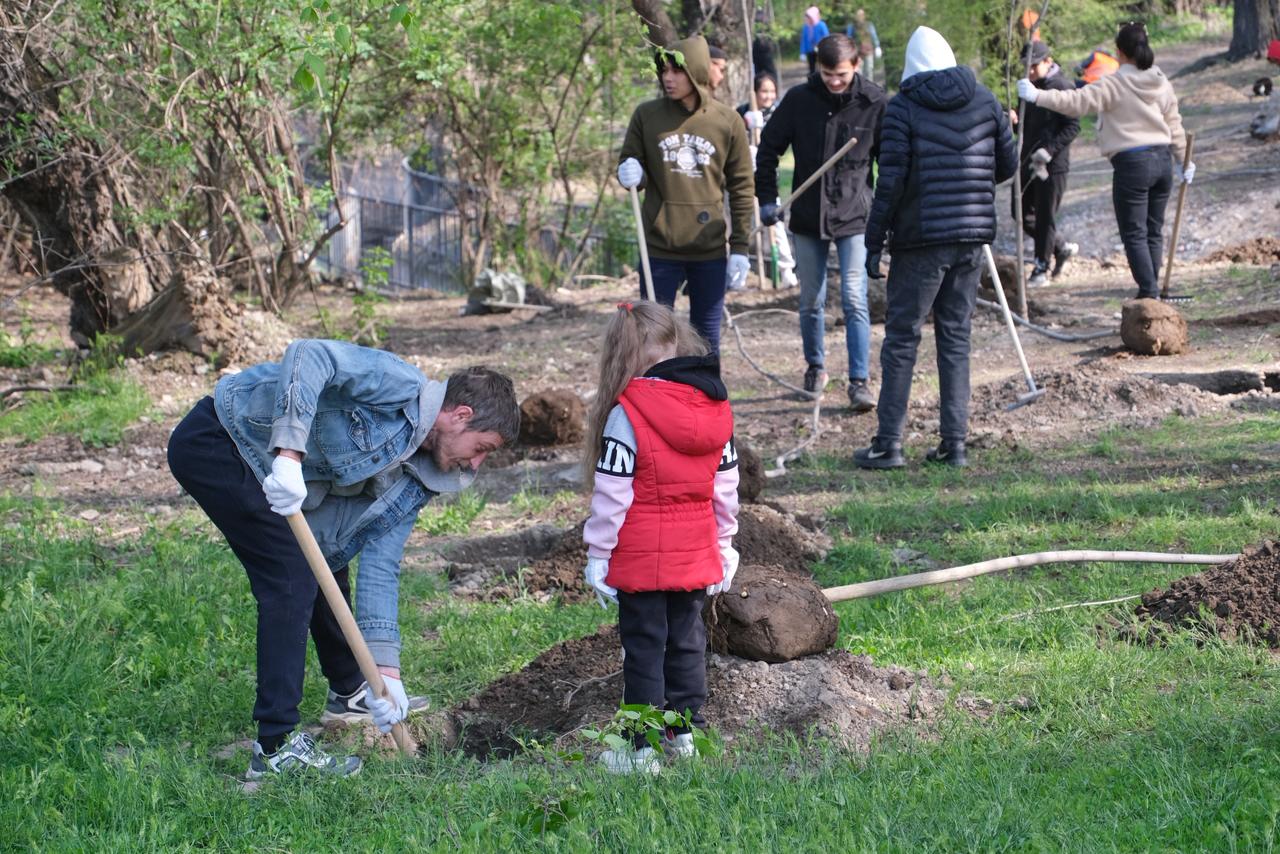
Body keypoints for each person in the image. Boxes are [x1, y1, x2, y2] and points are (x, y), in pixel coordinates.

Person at [167, 340, 519, 778]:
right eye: (482, 447)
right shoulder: (398, 385)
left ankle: (353, 689)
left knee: (327, 560)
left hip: (272, 477)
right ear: (460, 415)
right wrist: (289, 456)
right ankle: (276, 748)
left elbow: (381, 565)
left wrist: (386, 674)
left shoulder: (423, 479)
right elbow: (309, 355)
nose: (477, 464)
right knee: (291, 579)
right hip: (221, 441)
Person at [581, 301, 739, 774]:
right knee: (688, 641)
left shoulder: (626, 413)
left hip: (641, 559)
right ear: (677, 348)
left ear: (622, 358)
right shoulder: (715, 407)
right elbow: (725, 485)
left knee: (644, 648)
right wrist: (725, 543)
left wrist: (598, 553)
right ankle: (683, 733)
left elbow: (613, 494)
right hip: (695, 553)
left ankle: (640, 747)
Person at [856, 26, 1016, 469]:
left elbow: (889, 182)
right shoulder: (985, 100)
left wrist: (874, 242)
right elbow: (1009, 162)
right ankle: (955, 443)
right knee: (955, 337)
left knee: (903, 338)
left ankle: (888, 444)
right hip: (971, 238)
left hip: (920, 241)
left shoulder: (902, 108)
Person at [755, 34, 886, 410]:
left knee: (855, 298)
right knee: (811, 300)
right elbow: (767, 151)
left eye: (841, 74)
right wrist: (767, 199)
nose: (833, 80)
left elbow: (892, 160)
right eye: (827, 73)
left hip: (855, 215)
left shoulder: (874, 102)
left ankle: (859, 381)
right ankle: (815, 367)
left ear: (856, 66)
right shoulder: (798, 100)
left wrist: (887, 212)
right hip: (809, 216)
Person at [1019, 22, 1192, 300]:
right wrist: (1185, 160)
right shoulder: (1160, 79)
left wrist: (1037, 95)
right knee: (1153, 231)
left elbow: (1075, 102)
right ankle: (1151, 289)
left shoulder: (1115, 83)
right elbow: (1174, 123)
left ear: (1119, 52)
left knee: (1134, 233)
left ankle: (1149, 294)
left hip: (1133, 164)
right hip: (1162, 162)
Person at [618, 36, 755, 353]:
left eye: (677, 71)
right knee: (652, 339)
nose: (668, 78)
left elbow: (742, 187)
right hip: (658, 246)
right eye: (663, 70)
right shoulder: (647, 116)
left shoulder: (727, 121)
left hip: (708, 249)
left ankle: (705, 402)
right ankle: (655, 401)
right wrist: (628, 172)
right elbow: (628, 165)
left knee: (706, 338)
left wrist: (740, 247)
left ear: (695, 71)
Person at [1012, 39, 1080, 286]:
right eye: (1026, 66)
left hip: (1052, 165)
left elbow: (1073, 125)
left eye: (1034, 66)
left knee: (1044, 216)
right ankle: (1059, 247)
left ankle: (1041, 267)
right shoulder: (1026, 88)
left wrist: (1049, 150)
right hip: (1027, 162)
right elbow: (1026, 125)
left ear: (1048, 62)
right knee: (1018, 211)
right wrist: (1012, 120)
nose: (1030, 71)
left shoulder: (1061, 86)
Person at [737, 72, 799, 288]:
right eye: (764, 91)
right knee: (743, 223)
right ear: (754, 92)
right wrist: (746, 126)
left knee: (776, 224)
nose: (768, 95)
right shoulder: (743, 112)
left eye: (772, 91)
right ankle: (741, 270)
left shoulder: (780, 112)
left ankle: (786, 270)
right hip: (745, 176)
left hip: (768, 181)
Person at [846, 8, 882, 83]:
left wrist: (877, 46)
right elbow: (848, 38)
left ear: (864, 16)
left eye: (861, 15)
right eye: (858, 15)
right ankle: (860, 89)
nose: (860, 16)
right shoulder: (852, 27)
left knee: (869, 70)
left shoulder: (869, 25)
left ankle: (869, 89)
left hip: (868, 51)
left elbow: (874, 36)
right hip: (857, 52)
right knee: (858, 72)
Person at [800, 6, 830, 76]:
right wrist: (802, 52)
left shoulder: (821, 25)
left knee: (821, 65)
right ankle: (812, 80)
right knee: (811, 67)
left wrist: (823, 47)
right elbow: (804, 40)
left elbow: (826, 37)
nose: (807, 19)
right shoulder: (806, 27)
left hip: (820, 49)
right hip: (810, 50)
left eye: (808, 17)